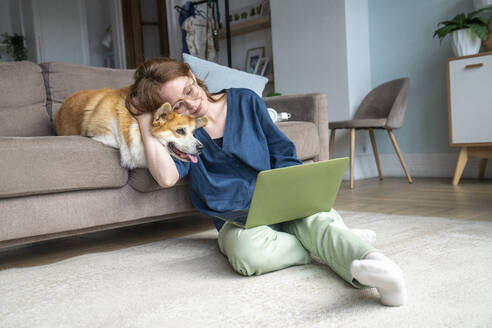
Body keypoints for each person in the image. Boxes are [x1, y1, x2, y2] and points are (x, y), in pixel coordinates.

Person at [128, 57, 407, 307]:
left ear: (192, 75)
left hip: (281, 203)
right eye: (178, 104)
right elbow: (166, 177)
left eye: (189, 90)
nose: (191, 103)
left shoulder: (246, 101)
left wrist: (298, 191)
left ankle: (383, 270)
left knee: (314, 219)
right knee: (247, 255)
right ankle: (330, 242)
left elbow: (283, 153)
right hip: (236, 222)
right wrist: (144, 122)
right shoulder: (181, 135)